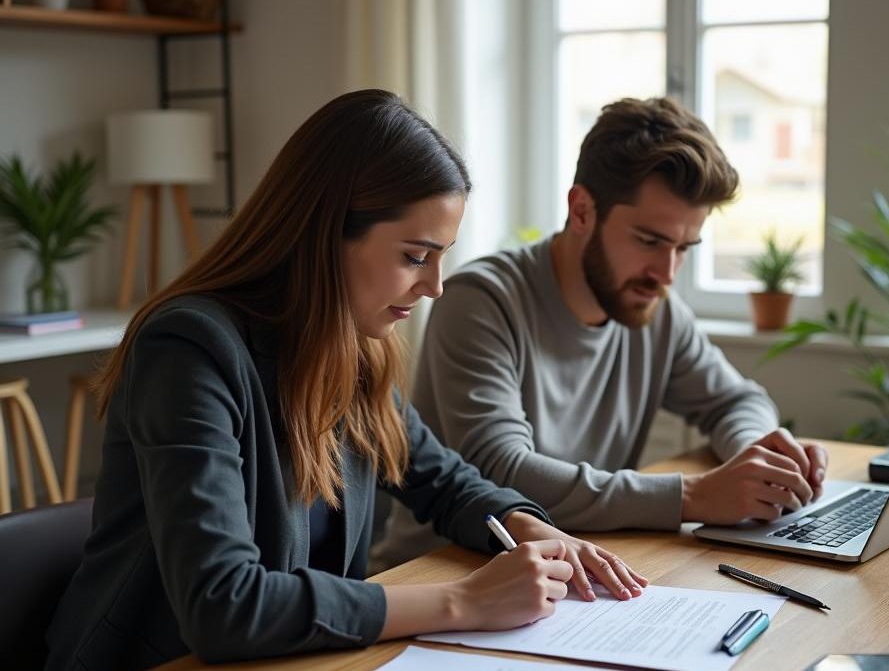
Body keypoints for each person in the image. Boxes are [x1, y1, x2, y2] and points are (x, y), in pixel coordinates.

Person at [44, 90, 647, 671]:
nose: (435, 286)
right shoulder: (187, 350)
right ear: (325, 233)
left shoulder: (351, 350)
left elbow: (443, 483)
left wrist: (529, 526)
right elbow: (223, 605)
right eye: (415, 257)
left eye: (442, 256)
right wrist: (466, 601)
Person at [373, 96, 829, 570]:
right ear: (582, 209)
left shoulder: (654, 308)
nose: (666, 272)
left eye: (684, 248)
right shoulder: (481, 301)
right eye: (650, 241)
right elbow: (502, 472)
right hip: (442, 574)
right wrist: (691, 497)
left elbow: (736, 400)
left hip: (570, 574)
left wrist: (758, 460)